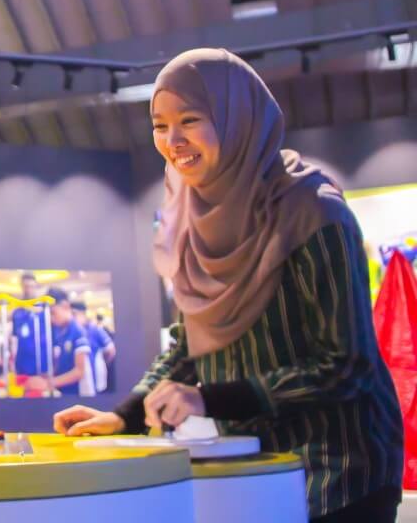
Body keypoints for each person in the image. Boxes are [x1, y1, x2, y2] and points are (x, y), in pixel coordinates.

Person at [53, 49, 403, 522]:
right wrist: (126, 415)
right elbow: (187, 344)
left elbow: (346, 365)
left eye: (191, 119)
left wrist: (209, 399)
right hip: (257, 472)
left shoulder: (312, 213)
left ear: (236, 117)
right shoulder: (190, 219)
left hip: (339, 473)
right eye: (159, 125)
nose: (173, 140)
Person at [72, 299, 115, 393]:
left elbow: (111, 350)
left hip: (95, 382)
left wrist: (104, 362)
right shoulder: (73, 332)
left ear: (82, 313)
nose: (73, 318)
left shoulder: (94, 329)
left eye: (75, 314)